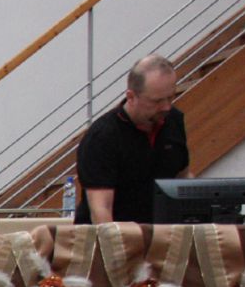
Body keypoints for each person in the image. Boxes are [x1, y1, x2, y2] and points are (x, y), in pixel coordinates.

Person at [75, 54, 189, 224]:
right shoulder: (102, 137)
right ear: (131, 97)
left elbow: (183, 177)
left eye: (170, 97)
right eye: (157, 101)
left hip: (159, 234)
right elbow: (101, 210)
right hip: (115, 235)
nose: (166, 107)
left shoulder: (174, 121)